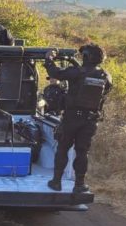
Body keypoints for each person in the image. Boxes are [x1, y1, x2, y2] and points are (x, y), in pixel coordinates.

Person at [45, 44, 113, 193]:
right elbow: (105, 91)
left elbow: (55, 73)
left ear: (87, 57)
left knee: (63, 149)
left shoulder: (77, 72)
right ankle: (79, 184)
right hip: (90, 120)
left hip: (71, 118)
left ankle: (56, 182)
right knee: (82, 152)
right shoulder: (106, 75)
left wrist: (49, 58)